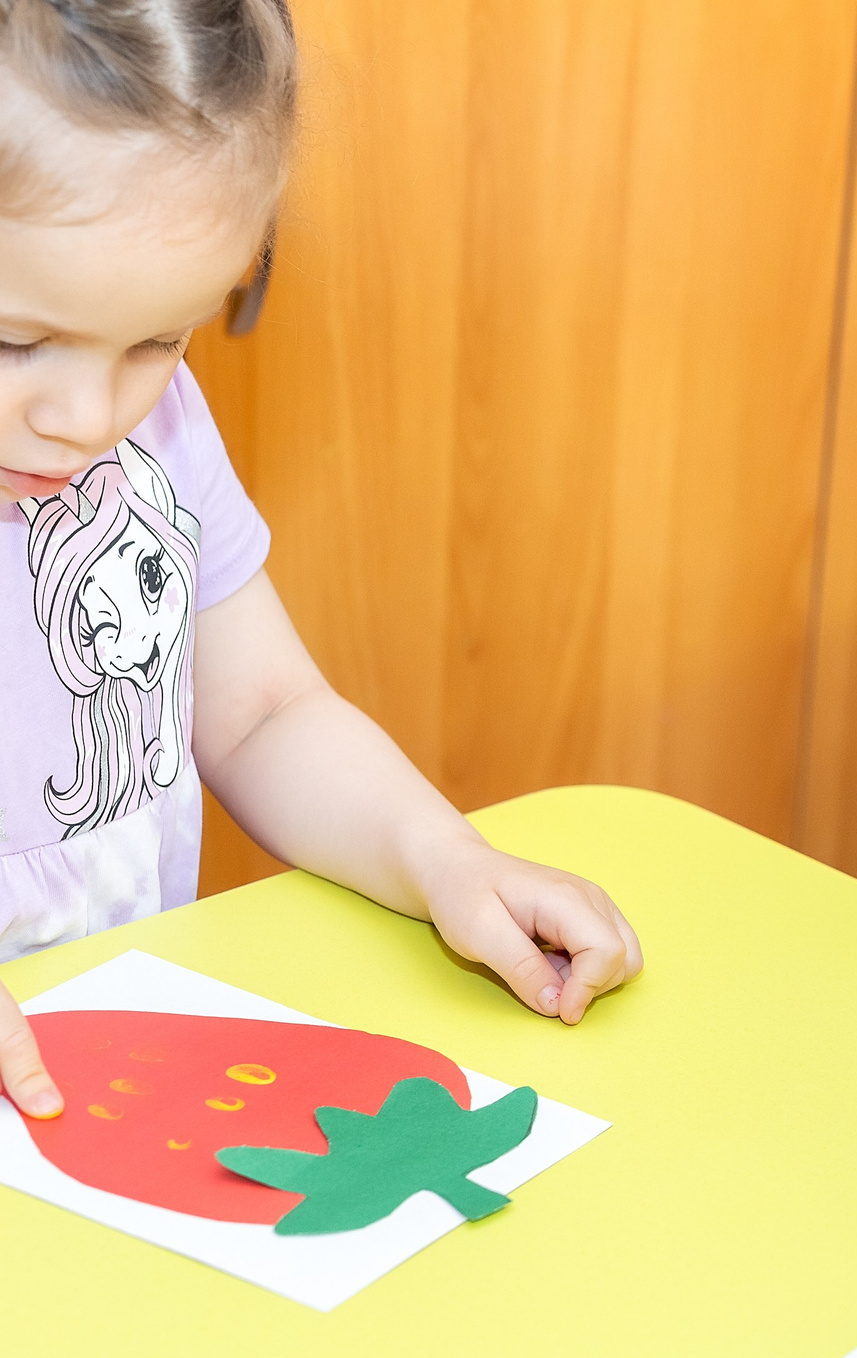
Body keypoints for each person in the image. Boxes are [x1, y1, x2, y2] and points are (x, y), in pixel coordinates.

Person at [0, 2, 641, 1122]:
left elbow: (263, 713)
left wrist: (441, 858)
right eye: (14, 341)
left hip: (112, 1075)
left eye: (161, 338)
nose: (87, 415)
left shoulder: (162, 435)